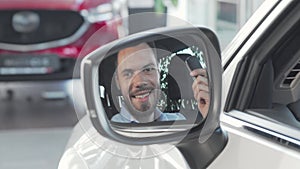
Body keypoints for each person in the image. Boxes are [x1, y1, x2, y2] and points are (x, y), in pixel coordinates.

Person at [111, 43, 209, 123]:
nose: (139, 82)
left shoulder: (178, 121)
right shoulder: (111, 129)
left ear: (158, 71)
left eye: (147, 69)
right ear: (118, 82)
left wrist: (209, 113)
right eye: (128, 74)